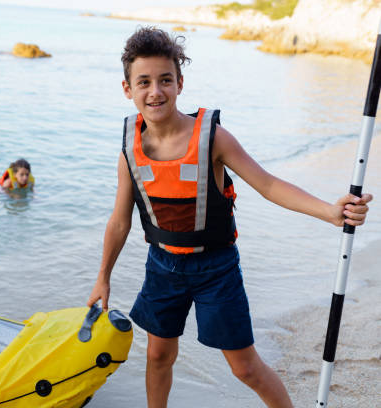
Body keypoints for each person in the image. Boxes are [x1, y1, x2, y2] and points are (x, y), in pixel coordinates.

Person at [86, 27, 372, 408]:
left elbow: (267, 184)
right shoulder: (129, 149)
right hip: (162, 267)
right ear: (128, 90)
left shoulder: (213, 138)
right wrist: (102, 277)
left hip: (215, 269)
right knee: (157, 356)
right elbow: (119, 221)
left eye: (165, 80)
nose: (155, 91)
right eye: (144, 82)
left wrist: (330, 213)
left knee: (245, 368)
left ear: (179, 83)